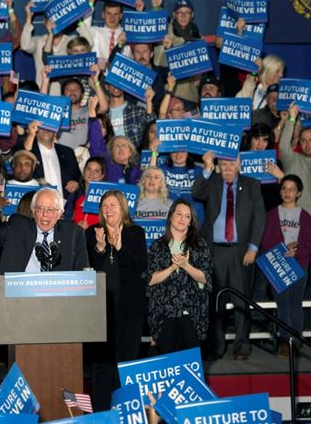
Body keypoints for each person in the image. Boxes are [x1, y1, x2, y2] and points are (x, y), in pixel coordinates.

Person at [192, 151, 265, 361]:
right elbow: (196, 192)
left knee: (242, 301)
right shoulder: (212, 182)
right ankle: (216, 345)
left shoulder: (252, 185)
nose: (228, 168)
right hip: (215, 251)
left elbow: (259, 218)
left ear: (239, 165)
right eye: (223, 165)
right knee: (215, 301)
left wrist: (253, 248)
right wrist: (207, 168)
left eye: (232, 164)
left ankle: (242, 346)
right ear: (218, 166)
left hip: (241, 252)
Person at [86, 191, 147, 410]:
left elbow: (140, 266)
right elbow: (89, 269)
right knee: (102, 365)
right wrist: (101, 249)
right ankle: (101, 413)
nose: (108, 210)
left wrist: (120, 247)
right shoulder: (93, 233)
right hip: (101, 311)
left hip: (130, 309)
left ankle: (124, 410)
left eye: (113, 205)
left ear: (123, 208)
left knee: (126, 363)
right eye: (104, 206)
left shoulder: (135, 233)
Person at [145, 199, 212, 354]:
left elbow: (206, 278)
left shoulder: (199, 244)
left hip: (192, 314)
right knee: (167, 364)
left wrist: (185, 266)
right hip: (163, 314)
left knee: (191, 365)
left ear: (191, 222)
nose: (182, 219)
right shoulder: (158, 245)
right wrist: (173, 267)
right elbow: (151, 279)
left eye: (187, 216)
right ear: (170, 217)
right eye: (179, 214)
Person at [0, 182, 89, 273]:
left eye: (51, 209)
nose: (45, 214)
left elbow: (83, 274)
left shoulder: (73, 233)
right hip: (18, 297)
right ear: (33, 211)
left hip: (60, 298)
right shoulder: (17, 227)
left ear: (60, 213)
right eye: (40, 208)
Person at [261, 175, 311, 357]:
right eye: (284, 188)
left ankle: (296, 340)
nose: (287, 192)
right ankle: (285, 341)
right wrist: (282, 249)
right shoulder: (271, 215)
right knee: (282, 304)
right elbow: (266, 240)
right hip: (278, 264)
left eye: (292, 189)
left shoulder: (305, 216)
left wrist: (297, 251)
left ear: (298, 193)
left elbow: (310, 242)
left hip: (299, 264)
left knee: (295, 304)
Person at [72, 157, 106, 229]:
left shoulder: (105, 199)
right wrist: (76, 225)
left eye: (96, 171)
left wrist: (90, 229)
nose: (91, 173)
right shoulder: (75, 195)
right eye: (89, 169)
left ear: (102, 176)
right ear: (84, 172)